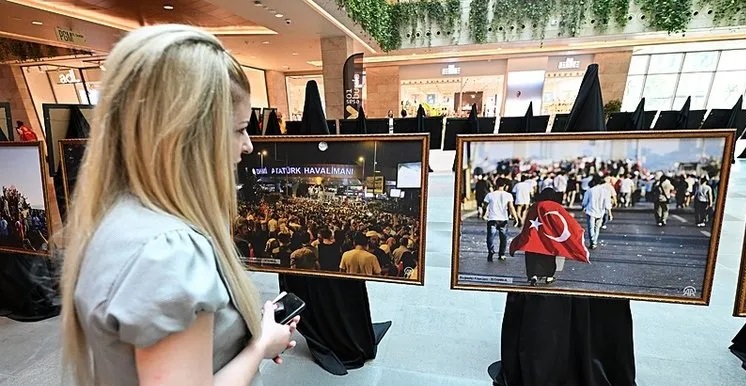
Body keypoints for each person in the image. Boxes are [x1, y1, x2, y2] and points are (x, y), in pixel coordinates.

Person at [60, 25, 298, 386]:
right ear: (189, 138)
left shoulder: (114, 218)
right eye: (238, 129)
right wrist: (261, 345)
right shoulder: (169, 252)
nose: (247, 146)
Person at [483, 179, 518, 262]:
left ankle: (491, 251)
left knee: (490, 237)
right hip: (503, 219)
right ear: (504, 185)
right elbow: (511, 207)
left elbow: (484, 205)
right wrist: (516, 218)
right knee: (503, 237)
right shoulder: (508, 195)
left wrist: (486, 212)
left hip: (492, 218)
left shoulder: (490, 195)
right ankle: (501, 254)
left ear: (496, 184)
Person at [582, 175, 611, 249]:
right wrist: (609, 213)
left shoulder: (590, 190)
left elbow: (584, 202)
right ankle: (595, 241)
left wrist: (583, 207)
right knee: (597, 228)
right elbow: (607, 204)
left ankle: (593, 242)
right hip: (600, 212)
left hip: (590, 211)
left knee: (591, 228)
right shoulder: (605, 191)